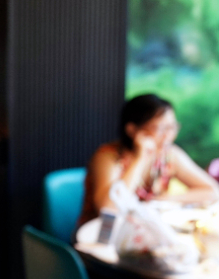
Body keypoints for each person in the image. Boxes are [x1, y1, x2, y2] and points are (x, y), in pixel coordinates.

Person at [79, 93, 219, 226]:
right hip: (99, 237)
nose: (168, 135)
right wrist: (141, 159)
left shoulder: (169, 154)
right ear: (132, 130)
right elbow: (108, 209)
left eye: (172, 127)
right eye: (160, 128)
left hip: (144, 234)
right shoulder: (108, 157)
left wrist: (166, 200)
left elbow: (212, 191)